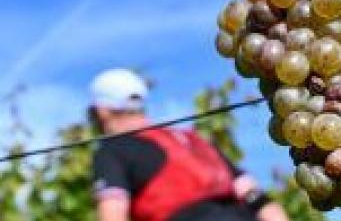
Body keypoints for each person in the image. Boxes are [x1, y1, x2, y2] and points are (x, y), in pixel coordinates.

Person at [89, 68, 289, 221]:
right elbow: (256, 197)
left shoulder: (111, 151)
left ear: (102, 111)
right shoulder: (193, 139)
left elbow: (112, 213)